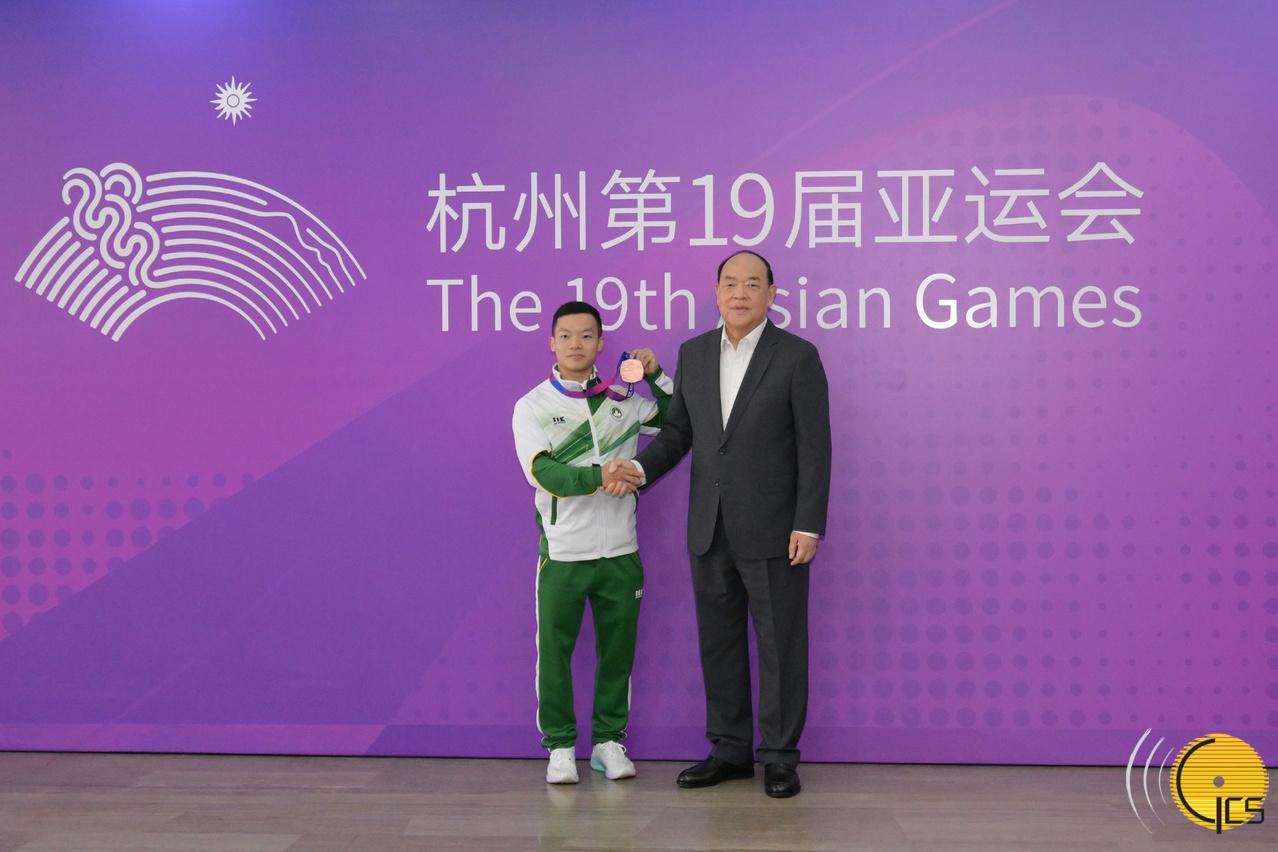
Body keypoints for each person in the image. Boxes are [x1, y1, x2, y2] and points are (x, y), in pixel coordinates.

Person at [607, 250, 830, 798]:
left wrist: (808, 523)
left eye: (753, 284)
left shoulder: (797, 356)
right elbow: (679, 434)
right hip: (709, 527)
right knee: (720, 642)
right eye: (730, 283)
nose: (740, 293)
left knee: (780, 646)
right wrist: (639, 469)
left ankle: (779, 756)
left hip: (775, 529)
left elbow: (815, 447)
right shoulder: (695, 352)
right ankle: (730, 750)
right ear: (716, 292)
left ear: (772, 294)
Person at [512, 300, 671, 785]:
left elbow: (680, 422)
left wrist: (656, 377)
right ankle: (560, 747)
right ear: (552, 343)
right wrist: (603, 475)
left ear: (601, 343)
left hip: (621, 553)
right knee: (554, 656)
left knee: (617, 656)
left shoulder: (623, 399)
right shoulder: (533, 405)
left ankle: (608, 743)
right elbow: (543, 472)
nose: (575, 344)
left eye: (586, 335)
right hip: (563, 556)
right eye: (566, 335)